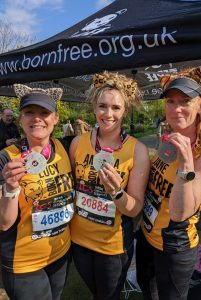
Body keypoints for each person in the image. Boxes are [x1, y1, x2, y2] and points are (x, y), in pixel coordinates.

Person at [136, 65, 201, 300]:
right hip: (147, 235)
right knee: (147, 290)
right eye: (170, 102)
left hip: (174, 246)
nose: (176, 109)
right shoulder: (169, 141)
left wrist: (186, 165)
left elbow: (180, 212)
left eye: (185, 101)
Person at [69, 71, 150, 300]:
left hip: (112, 247)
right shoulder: (78, 143)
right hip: (79, 241)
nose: (108, 114)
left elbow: (134, 209)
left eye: (116, 108)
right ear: (94, 107)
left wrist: (116, 191)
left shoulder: (137, 150)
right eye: (102, 106)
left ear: (125, 110)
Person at [0, 84, 75, 300]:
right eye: (29, 112)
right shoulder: (7, 158)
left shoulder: (63, 148)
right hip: (24, 262)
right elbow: (4, 223)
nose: (37, 119)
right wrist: (11, 188)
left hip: (60, 252)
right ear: (21, 118)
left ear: (56, 118)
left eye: (44, 113)